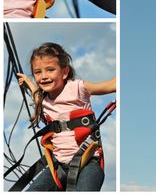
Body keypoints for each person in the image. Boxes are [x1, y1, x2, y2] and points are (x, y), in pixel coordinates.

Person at [17, 42, 116, 191]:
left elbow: (110, 85)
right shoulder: (44, 101)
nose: (43, 77)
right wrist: (29, 83)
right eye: (38, 72)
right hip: (58, 167)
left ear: (64, 72)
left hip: (88, 163)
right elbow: (37, 96)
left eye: (50, 70)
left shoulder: (78, 88)